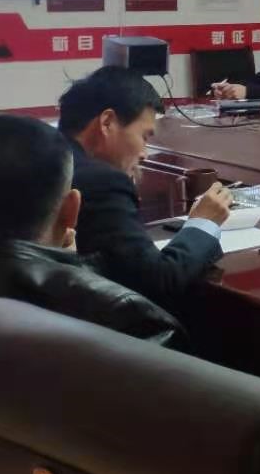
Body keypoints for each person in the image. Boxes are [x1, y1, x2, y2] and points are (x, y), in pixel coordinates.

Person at [0, 115, 183, 346]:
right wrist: (69, 270)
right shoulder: (132, 318)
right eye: (144, 135)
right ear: (71, 210)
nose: (144, 152)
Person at [59, 66, 231, 306]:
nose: (144, 153)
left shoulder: (48, 156)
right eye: (144, 136)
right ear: (107, 123)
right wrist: (203, 223)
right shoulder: (101, 182)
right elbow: (159, 281)